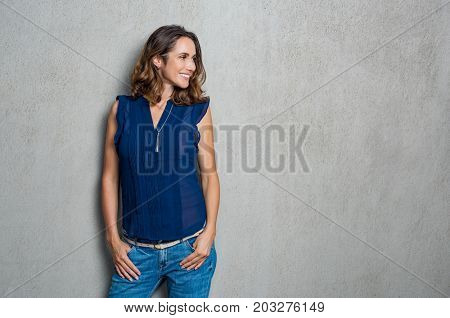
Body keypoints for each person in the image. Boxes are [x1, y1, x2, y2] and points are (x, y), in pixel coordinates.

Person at [101, 25, 220, 298]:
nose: (191, 65)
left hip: (190, 251)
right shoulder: (123, 109)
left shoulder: (197, 110)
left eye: (194, 58)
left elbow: (210, 176)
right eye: (183, 57)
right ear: (158, 59)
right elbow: (109, 178)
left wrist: (209, 234)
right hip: (136, 253)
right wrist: (113, 241)